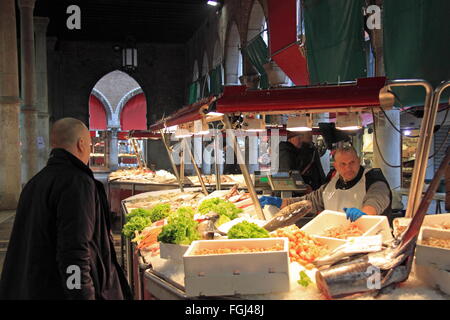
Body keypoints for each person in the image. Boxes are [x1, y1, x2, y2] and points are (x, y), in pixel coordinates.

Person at [0, 118, 132, 300]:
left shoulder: (35, 183)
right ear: (81, 144)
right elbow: (74, 251)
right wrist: (80, 294)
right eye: (90, 144)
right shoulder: (77, 183)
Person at [261, 145, 392, 222]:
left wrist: (364, 215)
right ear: (335, 166)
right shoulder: (331, 185)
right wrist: (278, 202)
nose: (348, 168)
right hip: (337, 240)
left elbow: (376, 200)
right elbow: (307, 202)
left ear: (359, 160)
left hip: (369, 244)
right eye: (343, 164)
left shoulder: (373, 180)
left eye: (352, 162)